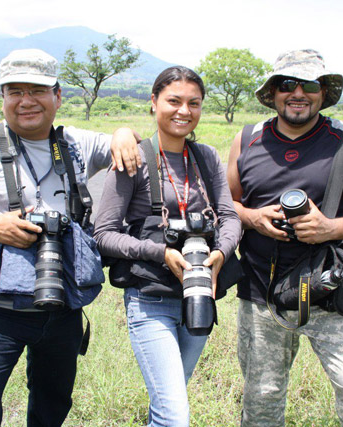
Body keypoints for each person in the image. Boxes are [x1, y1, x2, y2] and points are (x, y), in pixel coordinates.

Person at [0, 48, 140, 426]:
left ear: (58, 96)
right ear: (3, 98)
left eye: (37, 90)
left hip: (63, 306)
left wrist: (125, 132)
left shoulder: (75, 143)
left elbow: (124, 144)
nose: (26, 101)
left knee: (52, 405)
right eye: (14, 91)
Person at [227, 49, 343, 426]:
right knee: (262, 400)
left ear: (323, 92)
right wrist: (254, 218)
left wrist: (331, 228)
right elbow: (226, 205)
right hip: (262, 292)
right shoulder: (248, 139)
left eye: (309, 85)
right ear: (273, 92)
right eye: (287, 84)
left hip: (332, 289)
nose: (298, 93)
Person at [94, 66, 241, 427]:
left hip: (200, 295)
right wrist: (160, 252)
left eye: (194, 103)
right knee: (174, 413)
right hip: (150, 300)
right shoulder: (134, 158)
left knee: (167, 403)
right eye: (173, 101)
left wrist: (220, 252)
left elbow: (230, 215)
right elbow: (103, 233)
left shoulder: (205, 157)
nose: (184, 111)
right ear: (154, 102)